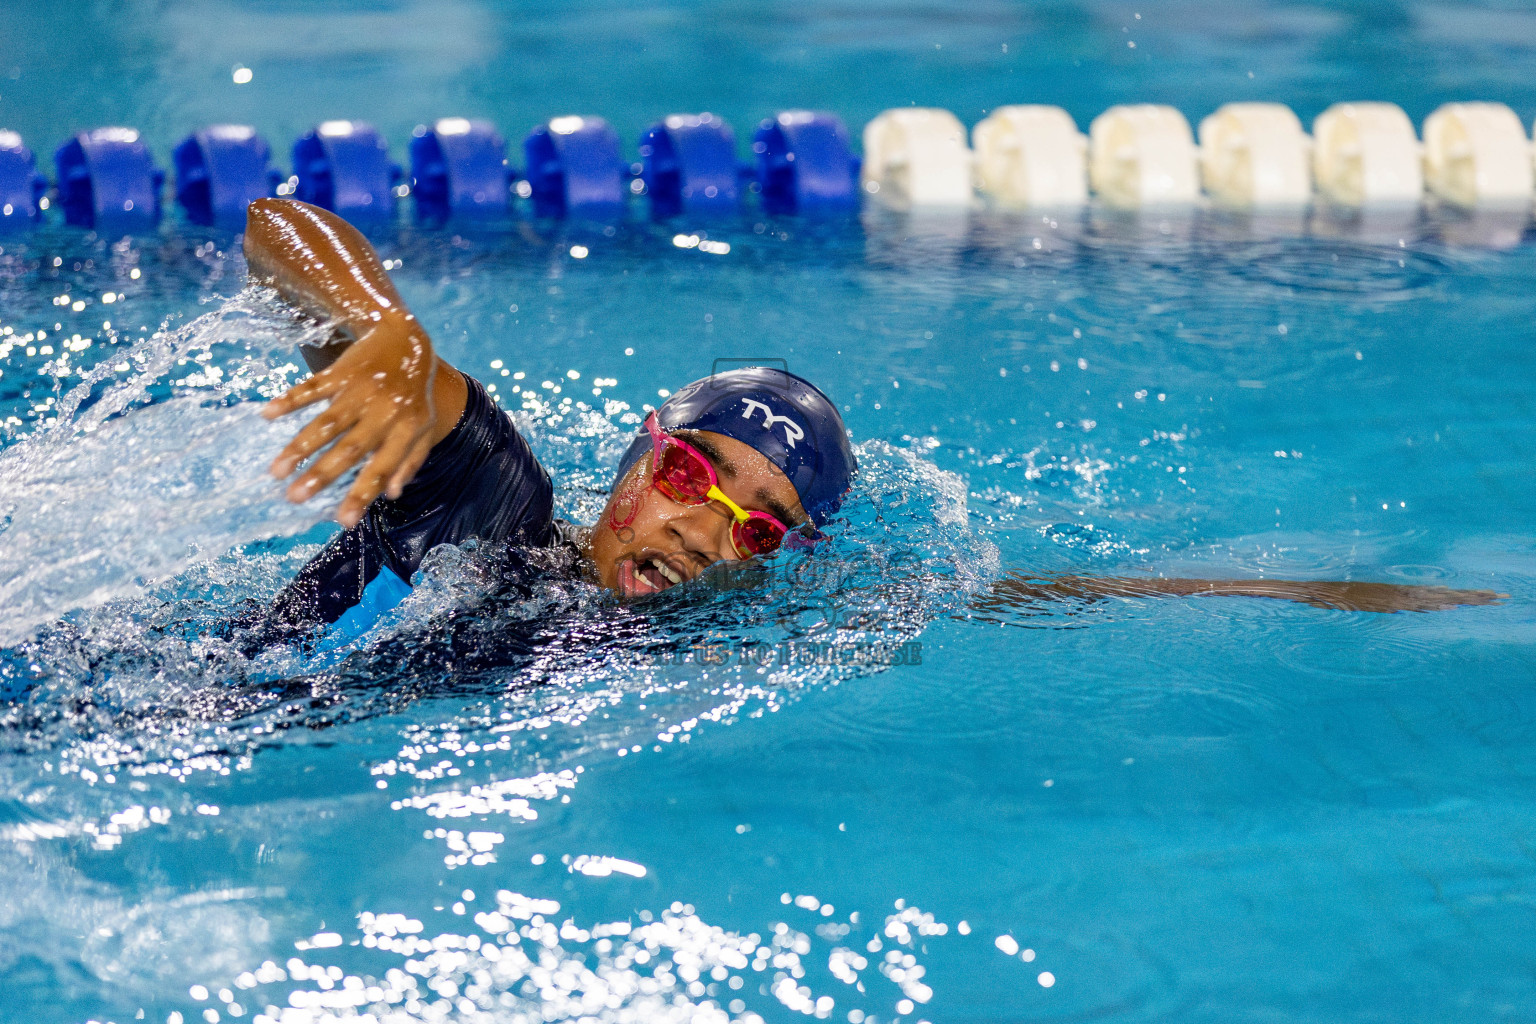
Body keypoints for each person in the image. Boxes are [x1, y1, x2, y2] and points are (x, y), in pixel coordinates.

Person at [244, 198, 1502, 636]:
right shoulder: (497, 507)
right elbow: (277, 229)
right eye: (690, 470)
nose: (699, 527)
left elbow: (1041, 595)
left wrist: (1316, 596)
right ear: (638, 450)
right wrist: (393, 334)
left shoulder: (721, 631)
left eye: (759, 529)